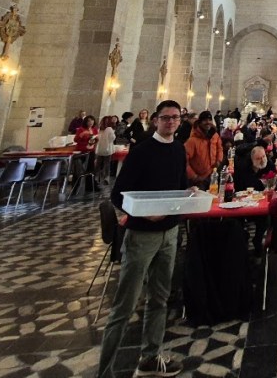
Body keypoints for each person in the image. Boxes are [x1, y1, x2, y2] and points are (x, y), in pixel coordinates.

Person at [98, 100, 188, 378]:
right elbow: (118, 194)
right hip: (141, 236)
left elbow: (178, 188)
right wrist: (144, 214)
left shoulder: (178, 150)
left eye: (175, 118)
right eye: (165, 118)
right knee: (124, 306)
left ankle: (150, 358)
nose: (170, 122)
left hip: (170, 234)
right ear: (156, 121)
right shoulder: (142, 151)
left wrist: (190, 194)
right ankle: (105, 371)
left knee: (160, 299)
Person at [184, 112, 223, 187]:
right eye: (205, 120)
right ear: (200, 122)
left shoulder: (215, 135)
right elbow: (184, 160)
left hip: (213, 175)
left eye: (209, 120)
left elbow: (219, 148)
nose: (208, 122)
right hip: (198, 179)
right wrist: (193, 176)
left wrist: (218, 161)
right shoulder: (192, 141)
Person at [94, 117, 116, 187]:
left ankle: (99, 177)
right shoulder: (106, 129)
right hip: (105, 149)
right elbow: (112, 138)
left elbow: (112, 138)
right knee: (104, 164)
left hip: (102, 149)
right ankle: (104, 177)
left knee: (101, 163)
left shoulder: (104, 129)